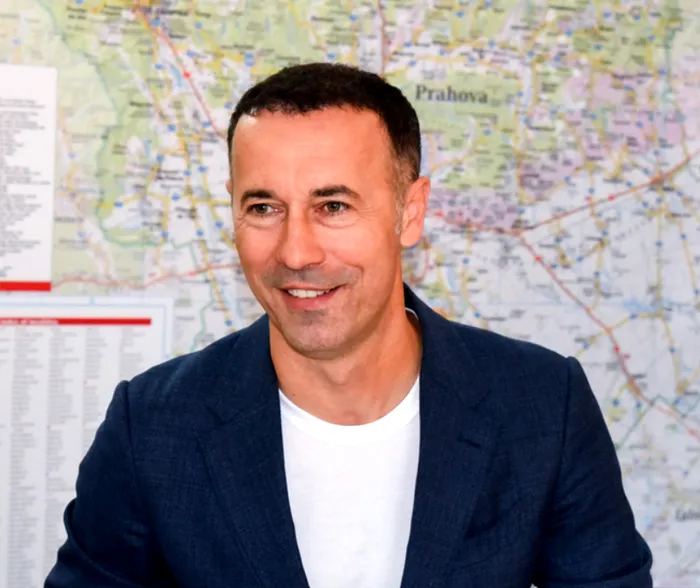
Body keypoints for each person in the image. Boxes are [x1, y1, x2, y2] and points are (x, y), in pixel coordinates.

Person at [45, 62, 653, 588]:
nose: (296, 251)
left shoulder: (543, 408)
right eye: (263, 207)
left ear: (410, 212)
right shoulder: (152, 428)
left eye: (332, 206)